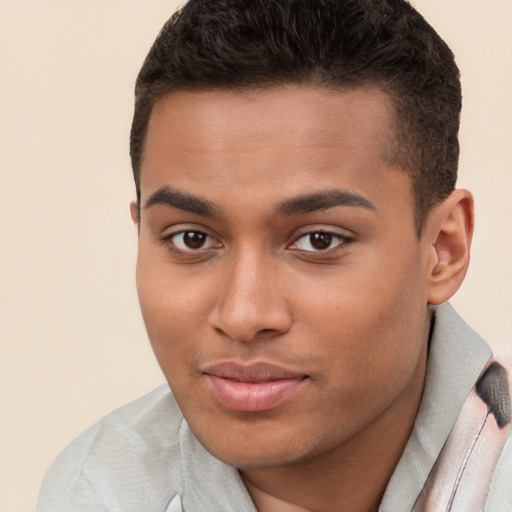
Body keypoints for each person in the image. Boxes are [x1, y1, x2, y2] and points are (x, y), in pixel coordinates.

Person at [37, 0, 511, 510]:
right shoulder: (95, 489)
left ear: (443, 249)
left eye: (319, 241)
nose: (243, 316)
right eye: (191, 238)